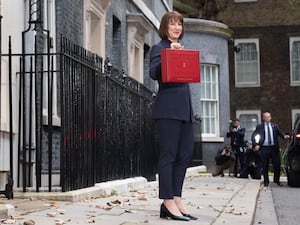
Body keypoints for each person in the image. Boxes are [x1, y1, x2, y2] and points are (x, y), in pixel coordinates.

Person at [149, 11, 197, 221]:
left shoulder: (183, 50)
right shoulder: (159, 48)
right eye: (172, 24)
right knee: (168, 155)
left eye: (179, 24)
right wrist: (170, 53)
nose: (177, 27)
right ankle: (167, 201)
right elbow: (153, 72)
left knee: (185, 155)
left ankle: (176, 198)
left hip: (184, 111)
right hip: (167, 109)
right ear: (165, 27)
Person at [251, 112, 289, 187]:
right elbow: (255, 136)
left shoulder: (274, 126)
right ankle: (266, 181)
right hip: (264, 148)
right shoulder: (260, 126)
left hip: (274, 148)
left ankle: (277, 180)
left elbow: (280, 132)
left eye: (268, 117)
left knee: (277, 164)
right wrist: (256, 144)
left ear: (270, 118)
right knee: (265, 165)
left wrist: (284, 136)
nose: (267, 118)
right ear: (263, 118)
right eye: (266, 117)